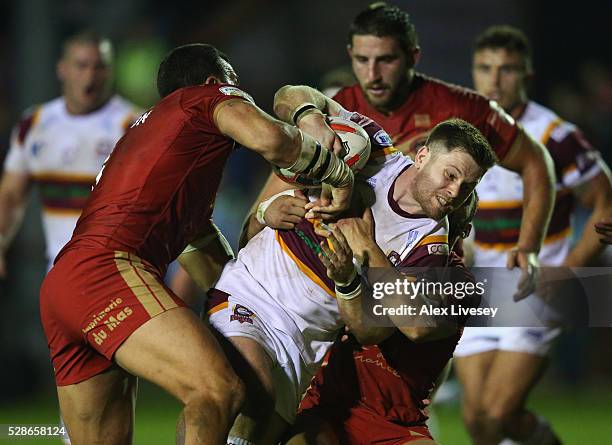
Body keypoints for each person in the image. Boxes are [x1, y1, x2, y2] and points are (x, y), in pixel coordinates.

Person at [39, 43, 354, 445]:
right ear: (213, 83)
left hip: (64, 288)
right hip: (106, 273)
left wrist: (254, 305)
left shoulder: (162, 145)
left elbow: (208, 261)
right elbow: (274, 141)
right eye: (234, 82)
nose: (243, 95)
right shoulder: (206, 99)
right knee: (218, 390)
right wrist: (337, 173)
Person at [209, 83, 497, 444]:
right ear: (422, 157)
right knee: (241, 398)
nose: (454, 193)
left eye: (467, 188)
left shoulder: (432, 253)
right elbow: (288, 95)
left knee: (241, 428)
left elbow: (398, 327)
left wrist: (358, 261)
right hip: (255, 294)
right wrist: (310, 117)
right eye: (451, 175)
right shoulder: (374, 149)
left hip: (308, 346)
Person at [321, 2, 558, 300]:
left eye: (386, 60)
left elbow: (537, 162)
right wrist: (264, 213)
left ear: (413, 56)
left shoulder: (460, 107)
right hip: (348, 280)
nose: (373, 74)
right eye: (362, 60)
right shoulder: (343, 108)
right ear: (350, 56)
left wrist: (528, 248)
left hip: (429, 282)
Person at [453, 26, 612, 445]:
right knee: (478, 420)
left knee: (496, 412)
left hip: (536, 286)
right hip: (481, 286)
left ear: (527, 74)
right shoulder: (463, 130)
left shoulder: (555, 135)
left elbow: (606, 204)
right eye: (485, 68)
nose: (494, 79)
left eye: (507, 70)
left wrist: (568, 273)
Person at [285, 192, 479, 445]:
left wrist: (366, 250)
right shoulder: (364, 248)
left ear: (464, 230)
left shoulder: (461, 285)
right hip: (331, 406)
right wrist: (266, 210)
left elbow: (415, 327)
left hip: (396, 422)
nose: (437, 223)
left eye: (451, 217)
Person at [0, 31, 141, 278]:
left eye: (100, 67)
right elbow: (11, 194)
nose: (90, 76)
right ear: (62, 69)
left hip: (118, 276)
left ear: (110, 71)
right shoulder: (33, 124)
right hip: (59, 277)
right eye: (81, 66)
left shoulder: (136, 127)